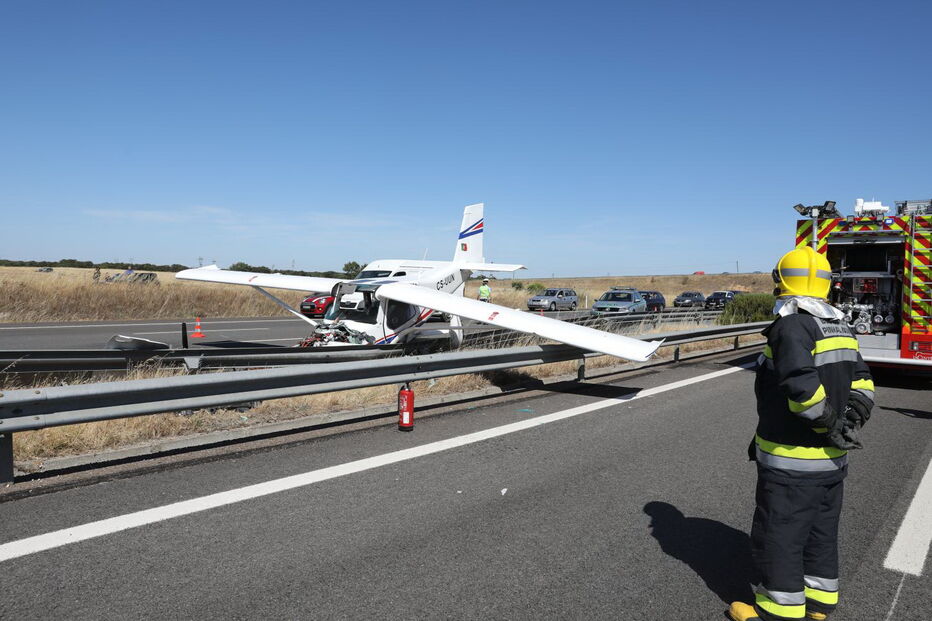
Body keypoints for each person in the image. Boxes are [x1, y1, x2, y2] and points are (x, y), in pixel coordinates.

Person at [728, 247, 874, 621]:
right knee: (820, 532)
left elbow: (801, 388)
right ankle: (820, 604)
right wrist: (846, 424)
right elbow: (863, 380)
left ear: (781, 282)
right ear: (826, 284)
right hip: (832, 461)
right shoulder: (837, 325)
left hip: (792, 461)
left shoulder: (791, 326)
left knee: (780, 535)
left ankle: (780, 612)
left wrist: (827, 423)